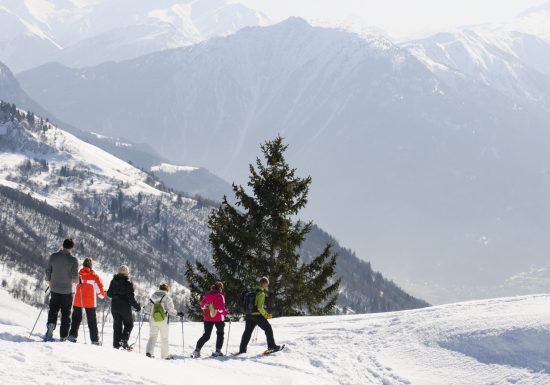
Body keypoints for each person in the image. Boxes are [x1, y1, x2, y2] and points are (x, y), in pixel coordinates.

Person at [45, 238, 79, 341]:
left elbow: (48, 271)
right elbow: (75, 277)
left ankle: (51, 325)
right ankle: (63, 336)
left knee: (53, 309)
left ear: (62, 245)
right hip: (67, 291)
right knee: (66, 313)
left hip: (54, 288)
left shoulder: (53, 256)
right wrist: (76, 281)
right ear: (71, 248)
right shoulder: (73, 260)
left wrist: (49, 281)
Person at [237, 277, 282, 354]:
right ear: (264, 284)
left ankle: (242, 350)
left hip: (248, 315)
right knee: (268, 328)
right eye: (267, 285)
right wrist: (267, 315)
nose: (267, 286)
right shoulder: (261, 293)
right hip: (257, 316)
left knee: (247, 332)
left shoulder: (253, 291)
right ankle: (272, 346)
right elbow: (260, 308)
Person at [67, 257, 106, 345]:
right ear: (91, 266)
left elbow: (72, 289)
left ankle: (72, 336)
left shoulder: (77, 275)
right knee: (92, 321)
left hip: (78, 300)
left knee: (76, 319)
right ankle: (95, 340)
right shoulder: (94, 277)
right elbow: (100, 293)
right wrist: (103, 295)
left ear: (83, 265)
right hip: (90, 302)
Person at [144, 283, 183, 359]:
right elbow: (170, 310)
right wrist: (178, 313)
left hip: (153, 319)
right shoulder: (167, 297)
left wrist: (144, 308)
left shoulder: (153, 296)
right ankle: (165, 356)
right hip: (163, 320)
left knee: (152, 337)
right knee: (164, 338)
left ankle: (149, 353)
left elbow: (147, 309)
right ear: (166, 290)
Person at [106, 265, 141, 350]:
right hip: (124, 307)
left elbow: (109, 294)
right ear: (127, 273)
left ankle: (116, 344)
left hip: (114, 306)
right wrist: (137, 307)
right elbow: (131, 298)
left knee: (117, 325)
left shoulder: (113, 281)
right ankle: (124, 340)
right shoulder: (128, 283)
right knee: (129, 324)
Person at [192, 281, 228, 358]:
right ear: (220, 288)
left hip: (208, 318)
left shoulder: (207, 295)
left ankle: (197, 350)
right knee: (220, 334)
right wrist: (226, 314)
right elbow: (221, 308)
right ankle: (218, 351)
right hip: (218, 318)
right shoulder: (220, 296)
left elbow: (202, 305)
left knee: (206, 335)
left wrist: (207, 307)